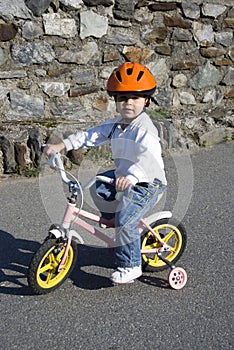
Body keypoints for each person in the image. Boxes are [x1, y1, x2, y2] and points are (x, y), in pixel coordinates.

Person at [44, 62, 167, 284]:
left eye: (135, 98)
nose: (128, 103)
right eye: (122, 98)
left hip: (148, 182)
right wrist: (62, 145)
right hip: (124, 176)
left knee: (126, 219)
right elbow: (91, 135)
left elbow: (146, 159)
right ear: (116, 101)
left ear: (146, 100)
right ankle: (112, 217)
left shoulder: (145, 129)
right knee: (99, 186)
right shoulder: (116, 125)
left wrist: (130, 177)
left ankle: (131, 265)